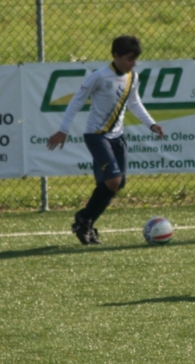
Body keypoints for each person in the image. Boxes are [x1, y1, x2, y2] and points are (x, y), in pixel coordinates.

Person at [46, 35, 165, 245]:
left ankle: (85, 221)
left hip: (117, 137)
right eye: (129, 59)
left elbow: (134, 103)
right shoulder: (99, 77)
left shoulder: (132, 77)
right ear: (116, 56)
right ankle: (84, 220)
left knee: (117, 184)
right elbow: (76, 101)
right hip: (96, 136)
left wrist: (151, 124)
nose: (133, 63)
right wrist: (63, 129)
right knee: (113, 181)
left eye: (135, 59)